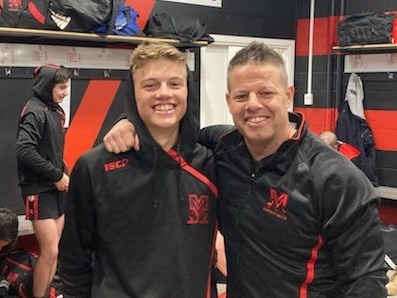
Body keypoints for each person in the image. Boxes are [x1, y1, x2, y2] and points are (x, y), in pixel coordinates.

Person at [103, 41, 388, 297]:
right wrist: (129, 121)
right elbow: (169, 129)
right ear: (229, 101)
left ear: (288, 95)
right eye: (241, 96)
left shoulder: (335, 179)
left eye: (266, 93)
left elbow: (366, 283)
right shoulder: (221, 146)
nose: (253, 105)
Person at [58, 42, 218, 297]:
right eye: (150, 85)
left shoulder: (211, 164)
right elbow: (73, 262)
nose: (164, 93)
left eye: (174, 84)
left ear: (189, 91)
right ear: (133, 93)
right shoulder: (94, 168)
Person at [16, 64, 71, 298]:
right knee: (50, 250)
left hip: (56, 188)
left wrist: (63, 171)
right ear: (48, 86)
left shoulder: (55, 111)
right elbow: (24, 151)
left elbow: (52, 150)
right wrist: (56, 175)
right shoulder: (34, 111)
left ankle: (46, 292)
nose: (65, 92)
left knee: (54, 251)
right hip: (38, 189)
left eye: (67, 86)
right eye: (61, 87)